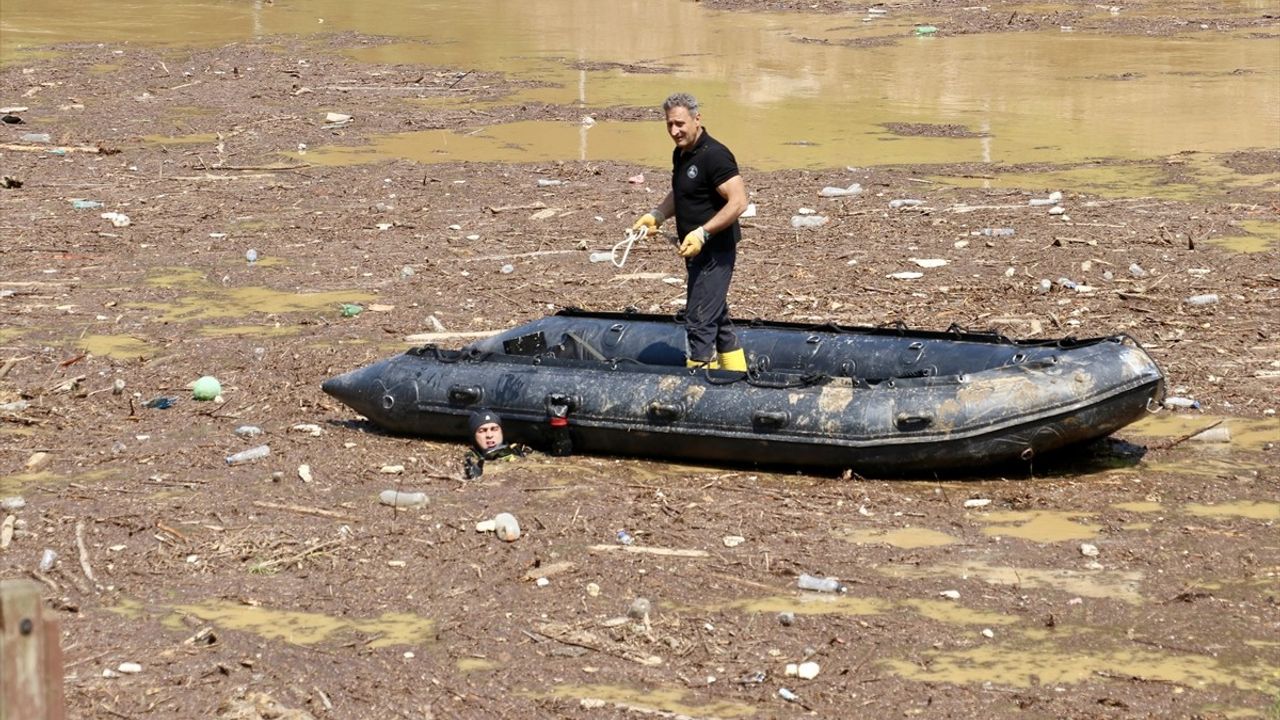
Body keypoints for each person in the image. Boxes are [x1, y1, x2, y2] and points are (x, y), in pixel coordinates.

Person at [632, 92, 749, 371]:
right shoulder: (682, 153)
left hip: (715, 252)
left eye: (680, 124)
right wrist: (657, 214)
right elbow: (682, 191)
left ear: (697, 119)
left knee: (698, 319)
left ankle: (696, 389)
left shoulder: (715, 155)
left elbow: (739, 201)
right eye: (670, 124)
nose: (675, 131)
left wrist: (702, 234)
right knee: (718, 319)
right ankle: (736, 377)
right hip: (693, 251)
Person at [462, 408, 530, 479]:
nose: (489, 435)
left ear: (501, 432)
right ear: (473, 437)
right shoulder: (469, 460)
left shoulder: (520, 452)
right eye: (482, 431)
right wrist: (475, 479)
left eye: (494, 429)